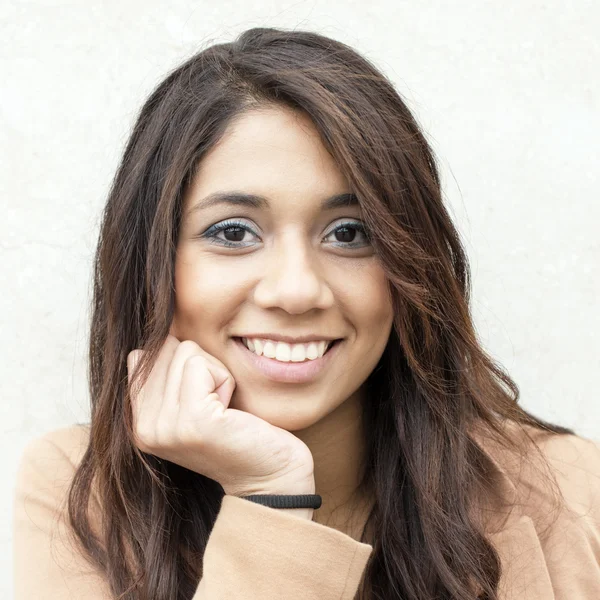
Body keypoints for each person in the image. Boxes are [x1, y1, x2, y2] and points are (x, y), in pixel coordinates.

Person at [12, 26, 600, 600]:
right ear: (152, 261)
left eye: (349, 233)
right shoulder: (78, 492)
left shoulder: (571, 488)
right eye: (233, 232)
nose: (296, 291)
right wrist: (270, 498)